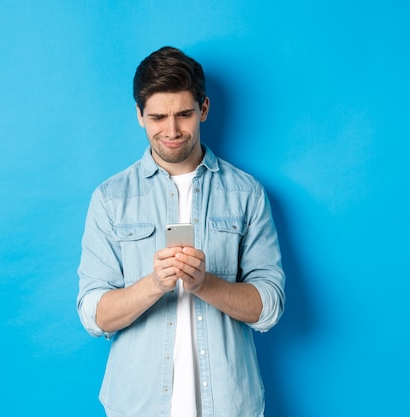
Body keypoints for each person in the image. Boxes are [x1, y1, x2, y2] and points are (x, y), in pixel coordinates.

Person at [77, 46, 285, 417]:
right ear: (140, 116)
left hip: (229, 405)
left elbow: (269, 307)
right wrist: (155, 284)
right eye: (157, 117)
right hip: (137, 406)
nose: (171, 130)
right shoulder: (110, 199)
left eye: (184, 114)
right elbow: (94, 315)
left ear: (203, 109)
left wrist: (205, 283)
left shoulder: (247, 193)